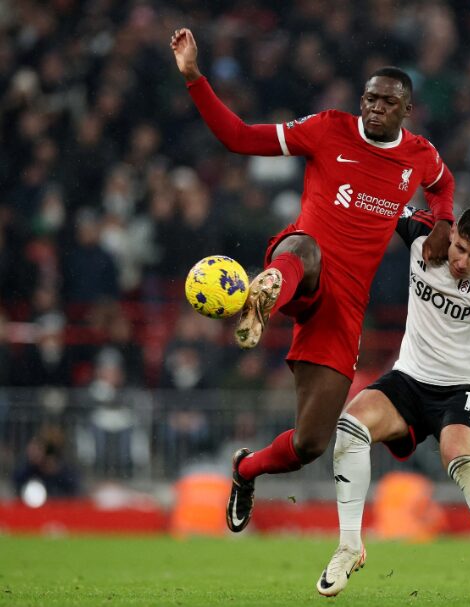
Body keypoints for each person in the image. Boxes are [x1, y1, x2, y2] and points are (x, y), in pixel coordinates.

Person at [170, 29, 455, 533]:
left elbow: (443, 184)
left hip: (344, 305)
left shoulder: (419, 155)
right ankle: (265, 293)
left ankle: (245, 469)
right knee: (303, 247)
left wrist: (444, 222)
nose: (374, 109)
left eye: (387, 102)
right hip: (302, 262)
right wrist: (195, 78)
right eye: (369, 98)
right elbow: (238, 137)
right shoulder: (327, 128)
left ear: (406, 110)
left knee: (310, 443)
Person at [317, 204, 470, 600]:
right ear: (453, 233)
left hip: (466, 385)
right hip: (411, 377)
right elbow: (373, 200)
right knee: (351, 425)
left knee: (457, 452)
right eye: (461, 248)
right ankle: (349, 547)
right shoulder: (421, 231)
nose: (463, 262)